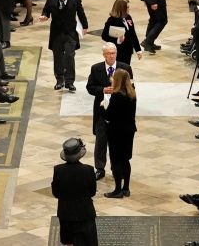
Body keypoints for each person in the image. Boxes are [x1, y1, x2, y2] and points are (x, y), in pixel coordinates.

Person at [85, 43, 133, 181]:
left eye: (113, 53)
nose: (111, 56)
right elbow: (90, 87)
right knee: (101, 142)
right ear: (104, 55)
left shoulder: (125, 68)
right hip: (102, 112)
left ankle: (116, 168)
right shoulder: (96, 68)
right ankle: (99, 169)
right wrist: (102, 90)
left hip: (118, 114)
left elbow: (131, 88)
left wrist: (118, 91)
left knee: (116, 143)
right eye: (108, 53)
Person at [40, 0, 88, 93]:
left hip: (70, 33)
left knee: (69, 56)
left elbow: (80, 12)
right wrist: (44, 16)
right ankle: (59, 80)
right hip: (56, 33)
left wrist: (85, 26)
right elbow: (46, 11)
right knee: (58, 57)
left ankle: (70, 82)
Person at [51, 138, 98, 246]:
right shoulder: (88, 170)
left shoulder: (58, 170)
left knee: (69, 242)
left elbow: (56, 193)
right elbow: (92, 192)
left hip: (66, 214)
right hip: (85, 214)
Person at [103, 69, 137, 198]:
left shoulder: (117, 96)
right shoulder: (132, 93)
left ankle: (117, 190)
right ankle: (126, 188)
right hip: (129, 131)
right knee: (125, 160)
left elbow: (109, 115)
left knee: (116, 160)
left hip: (117, 132)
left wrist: (103, 108)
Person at [101, 0, 142, 64]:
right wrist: (117, 40)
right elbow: (104, 36)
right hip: (118, 51)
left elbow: (133, 34)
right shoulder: (112, 20)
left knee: (126, 70)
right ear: (122, 8)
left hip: (128, 50)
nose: (129, 9)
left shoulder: (128, 17)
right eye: (127, 7)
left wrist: (138, 50)